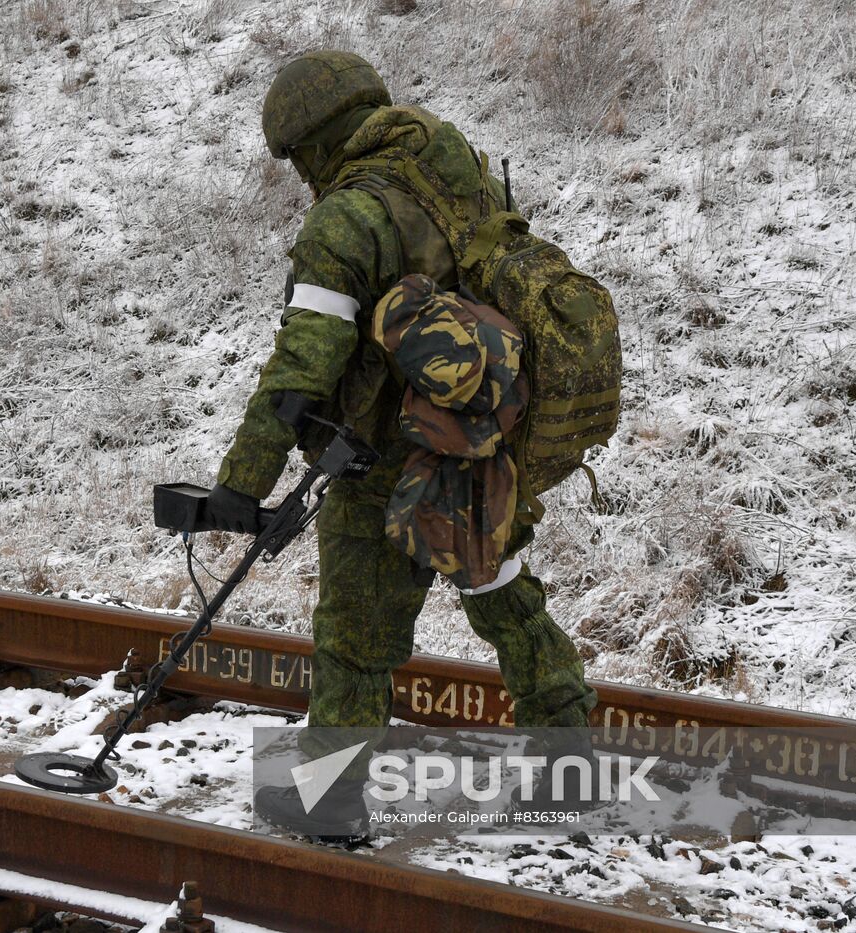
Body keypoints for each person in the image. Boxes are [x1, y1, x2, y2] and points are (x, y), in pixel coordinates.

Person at [207, 50, 599, 839]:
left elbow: (303, 365)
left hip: (384, 459)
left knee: (355, 634)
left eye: (297, 160)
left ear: (314, 143)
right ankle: (571, 771)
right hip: (479, 438)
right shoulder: (458, 175)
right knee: (503, 592)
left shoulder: (346, 218)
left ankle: (330, 801)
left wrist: (242, 480)